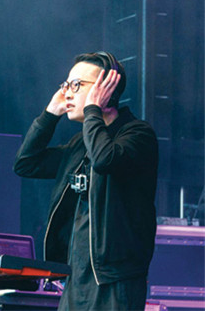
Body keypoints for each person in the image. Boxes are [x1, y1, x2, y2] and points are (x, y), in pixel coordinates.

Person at [13, 52, 158, 310]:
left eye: (76, 85)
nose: (67, 92)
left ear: (107, 90)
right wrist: (49, 114)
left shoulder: (138, 134)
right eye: (66, 85)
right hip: (75, 280)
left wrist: (92, 109)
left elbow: (104, 159)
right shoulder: (80, 144)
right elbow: (26, 163)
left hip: (114, 280)